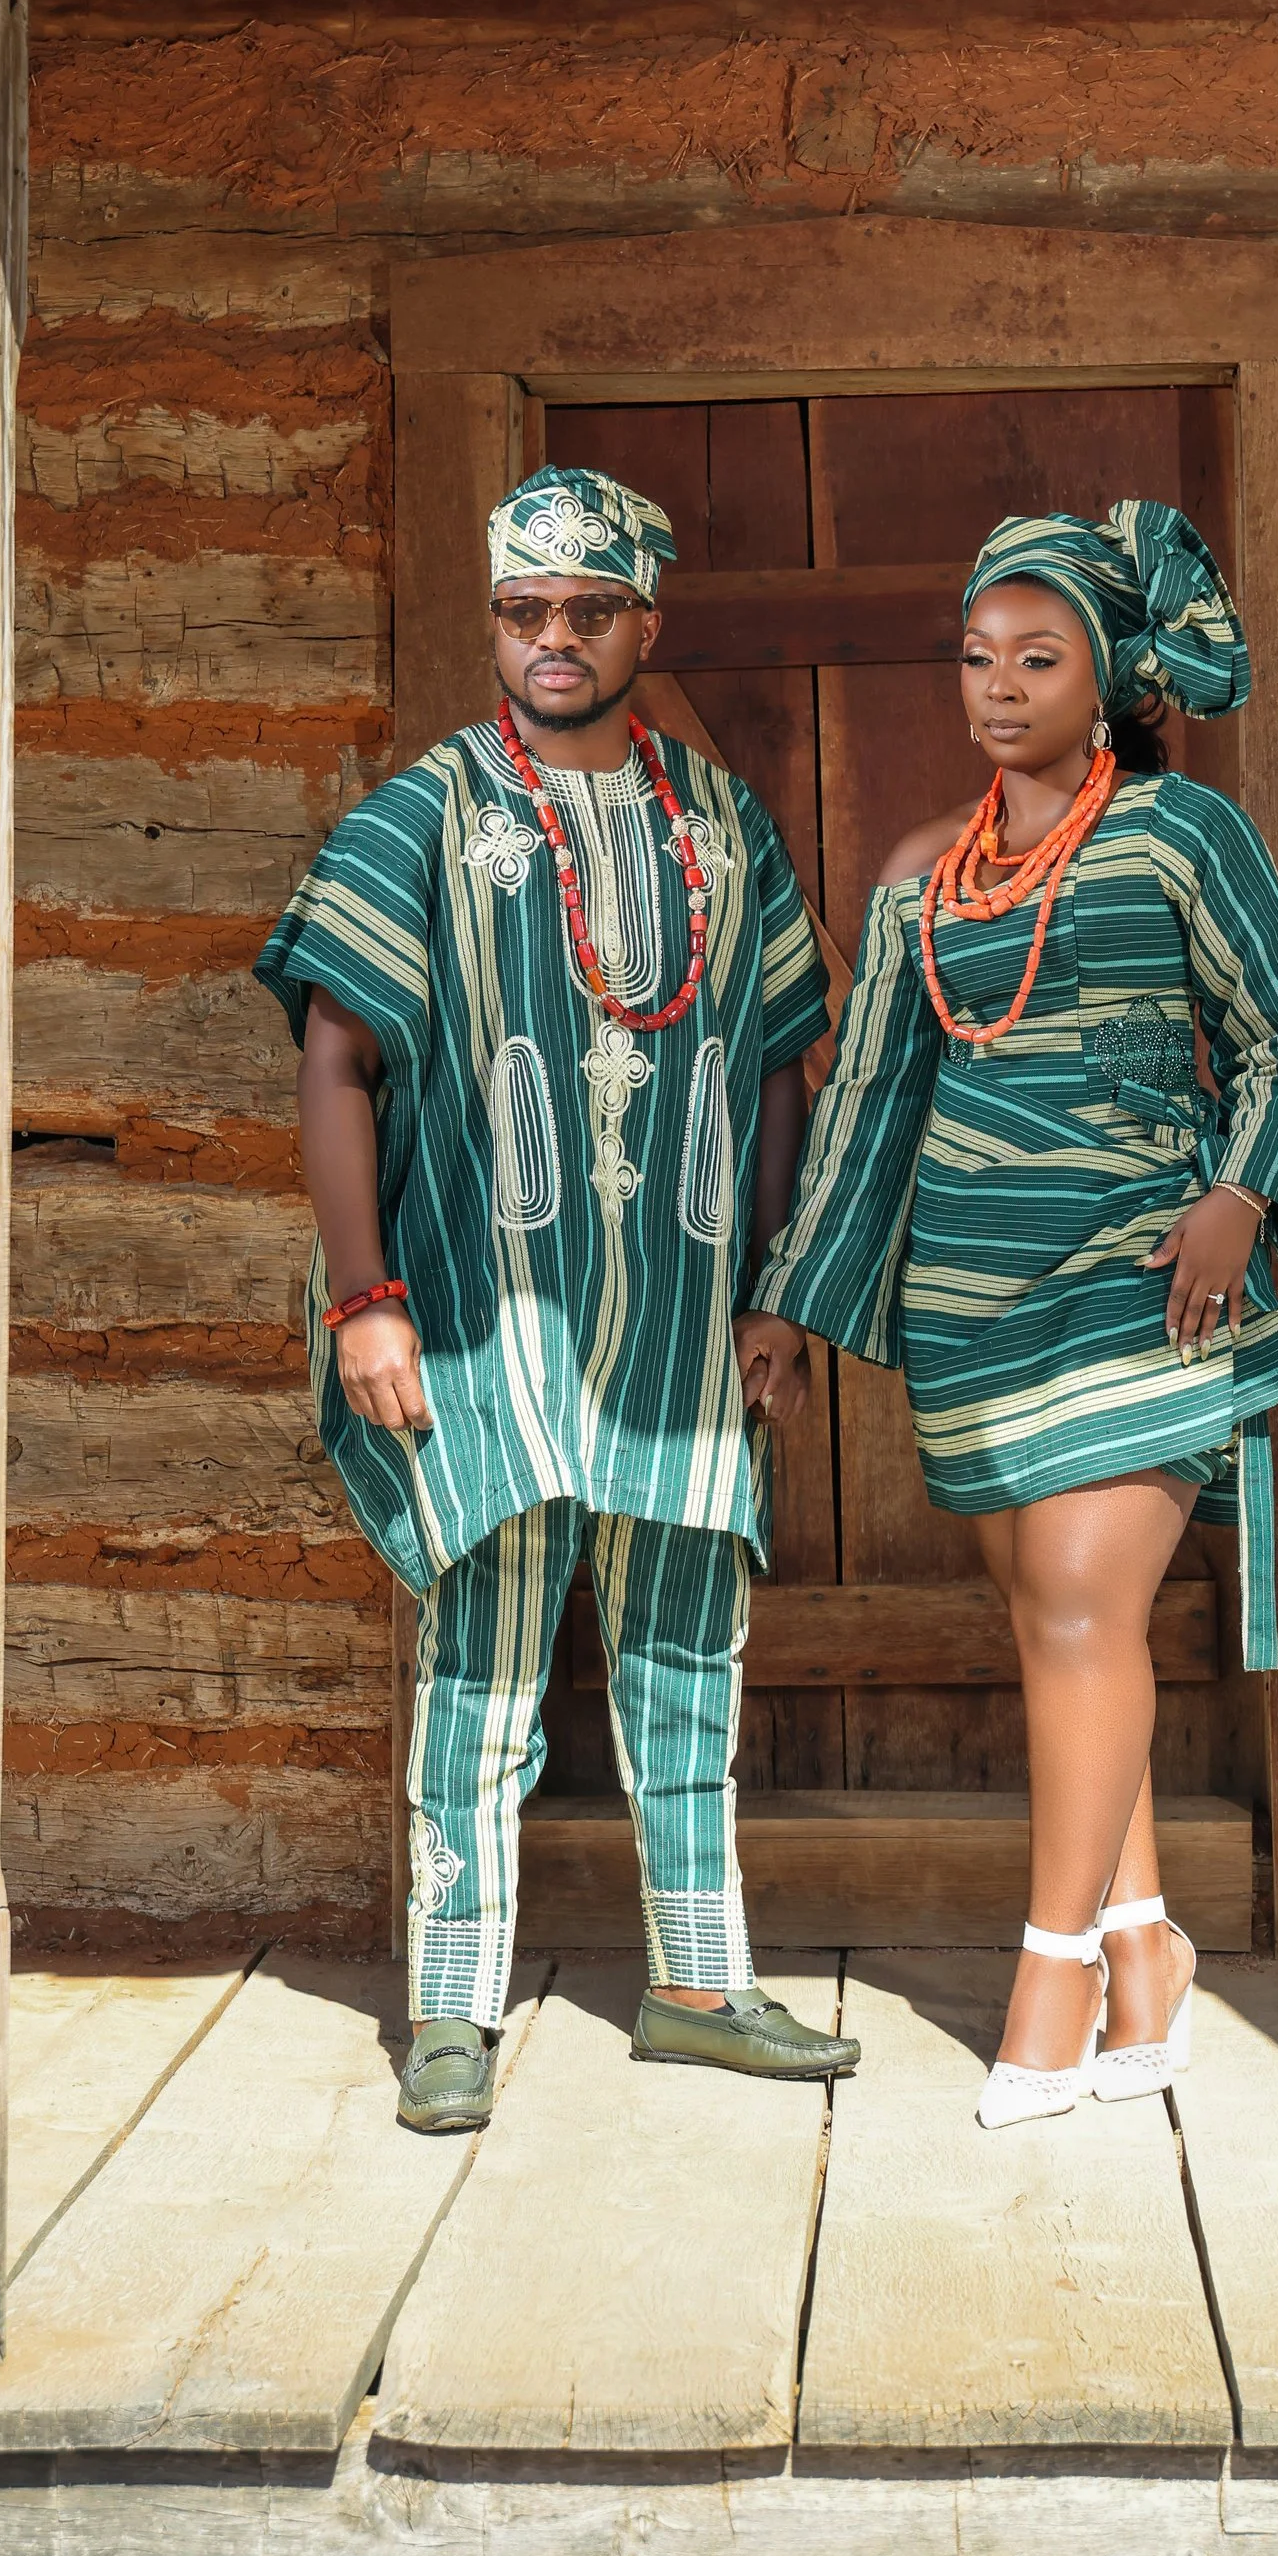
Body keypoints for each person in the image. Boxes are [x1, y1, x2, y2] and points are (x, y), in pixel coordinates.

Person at [257, 462, 861, 2133]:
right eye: (524, 611)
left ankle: (696, 1984)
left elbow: (784, 1060)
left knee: (689, 1658)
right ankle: (450, 2010)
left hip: (678, 1327)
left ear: (643, 623)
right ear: (494, 620)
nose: (553, 639)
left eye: (590, 611)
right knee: (486, 1668)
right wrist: (366, 1299)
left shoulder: (719, 820)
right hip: (486, 1319)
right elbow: (337, 1058)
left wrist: (777, 1288)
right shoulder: (428, 815)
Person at [738, 506, 1278, 2127]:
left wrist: (1242, 1195)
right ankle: (1151, 1948)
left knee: (1083, 1608)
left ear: (1109, 681)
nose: (998, 689)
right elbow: (869, 1103)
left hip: (1144, 1276)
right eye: (976, 657)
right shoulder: (919, 880)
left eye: (1039, 659)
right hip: (970, 1293)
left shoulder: (1181, 839)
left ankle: (1053, 1976)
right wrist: (791, 1303)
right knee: (1061, 1636)